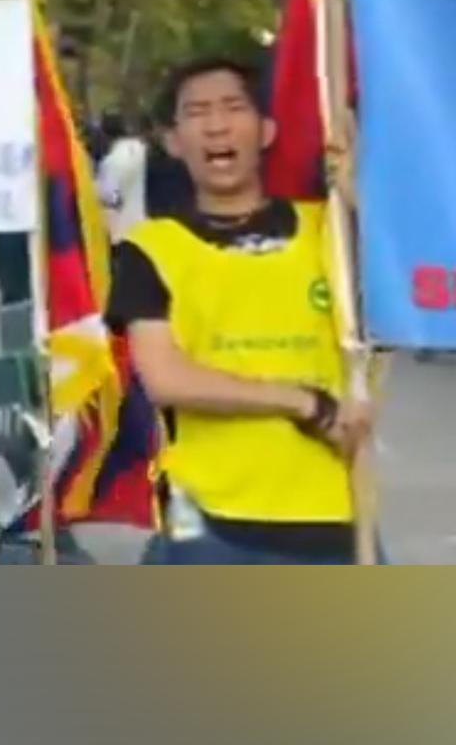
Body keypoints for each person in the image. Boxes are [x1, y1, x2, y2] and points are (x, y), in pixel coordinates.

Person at [106, 56, 370, 565]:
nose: (217, 125)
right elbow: (167, 379)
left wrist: (358, 189)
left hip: (334, 512)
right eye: (197, 112)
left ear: (266, 130)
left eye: (233, 107)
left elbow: (401, 270)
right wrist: (302, 402)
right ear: (173, 140)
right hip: (210, 524)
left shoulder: (328, 228)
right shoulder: (152, 248)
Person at [94, 110, 148, 243]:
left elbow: (109, 198)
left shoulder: (111, 162)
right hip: (148, 226)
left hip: (124, 232)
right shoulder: (145, 150)